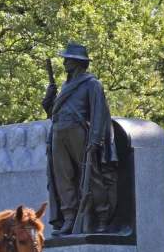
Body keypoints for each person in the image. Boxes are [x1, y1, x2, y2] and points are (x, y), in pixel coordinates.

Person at [42, 43, 118, 236]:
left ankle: (102, 217)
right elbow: (54, 113)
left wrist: (95, 141)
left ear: (77, 62)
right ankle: (69, 218)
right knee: (63, 178)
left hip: (78, 132)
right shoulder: (66, 85)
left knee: (90, 175)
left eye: (67, 59)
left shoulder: (92, 84)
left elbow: (99, 114)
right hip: (59, 132)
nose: (64, 61)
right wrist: (48, 101)